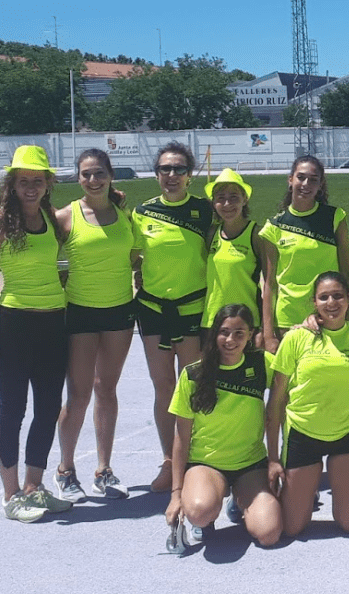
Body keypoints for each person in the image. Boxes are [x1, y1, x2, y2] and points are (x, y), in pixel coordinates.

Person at [53, 148, 137, 502]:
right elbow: (38, 253)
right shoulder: (66, 217)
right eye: (86, 174)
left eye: (99, 172)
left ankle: (104, 469)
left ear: (110, 175)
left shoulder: (125, 216)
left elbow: (135, 258)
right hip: (81, 313)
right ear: (78, 177)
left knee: (107, 390)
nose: (93, 180)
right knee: (79, 394)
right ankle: (65, 470)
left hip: (119, 311)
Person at [131, 141, 214, 493]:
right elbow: (134, 260)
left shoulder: (205, 211)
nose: (172, 175)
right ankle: (170, 461)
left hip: (193, 309)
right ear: (156, 174)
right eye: (165, 169)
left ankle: (198, 459)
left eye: (179, 169)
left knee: (193, 385)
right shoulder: (142, 213)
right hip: (152, 311)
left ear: (190, 175)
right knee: (163, 387)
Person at [165, 304, 282, 547]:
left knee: (269, 533)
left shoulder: (262, 364)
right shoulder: (193, 375)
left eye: (239, 333)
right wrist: (175, 495)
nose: (231, 339)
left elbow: (293, 387)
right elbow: (181, 438)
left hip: (250, 464)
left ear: (251, 334)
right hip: (206, 464)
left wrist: (275, 459)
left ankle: (238, 501)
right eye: (224, 332)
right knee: (199, 511)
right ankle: (208, 507)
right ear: (214, 333)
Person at [266, 272, 349, 537]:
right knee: (292, 528)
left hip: (348, 434)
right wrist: (272, 458)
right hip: (303, 433)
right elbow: (277, 399)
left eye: (338, 295)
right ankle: (251, 497)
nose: (331, 302)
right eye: (324, 297)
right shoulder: (296, 338)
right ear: (314, 302)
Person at [0, 146, 72, 522]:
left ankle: (34, 487)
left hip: (52, 322)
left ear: (48, 184)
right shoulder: (1, 220)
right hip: (13, 322)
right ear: (12, 184)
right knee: (11, 411)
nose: (31, 187)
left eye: (38, 181)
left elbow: (61, 265)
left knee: (46, 409)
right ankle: (11, 495)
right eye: (23, 181)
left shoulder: (50, 218)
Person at [259, 155, 349, 353]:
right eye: (301, 177)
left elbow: (346, 270)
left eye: (313, 179)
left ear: (320, 185)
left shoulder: (335, 217)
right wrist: (268, 335)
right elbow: (269, 284)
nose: (306, 184)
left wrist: (346, 310)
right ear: (290, 179)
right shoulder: (273, 227)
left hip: (328, 313)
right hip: (287, 318)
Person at [203, 168, 265, 343]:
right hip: (212, 321)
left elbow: (269, 285)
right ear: (213, 202)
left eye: (234, 197)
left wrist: (265, 330)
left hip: (245, 323)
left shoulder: (256, 234)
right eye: (220, 198)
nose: (227, 204)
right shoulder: (211, 234)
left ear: (245, 199)